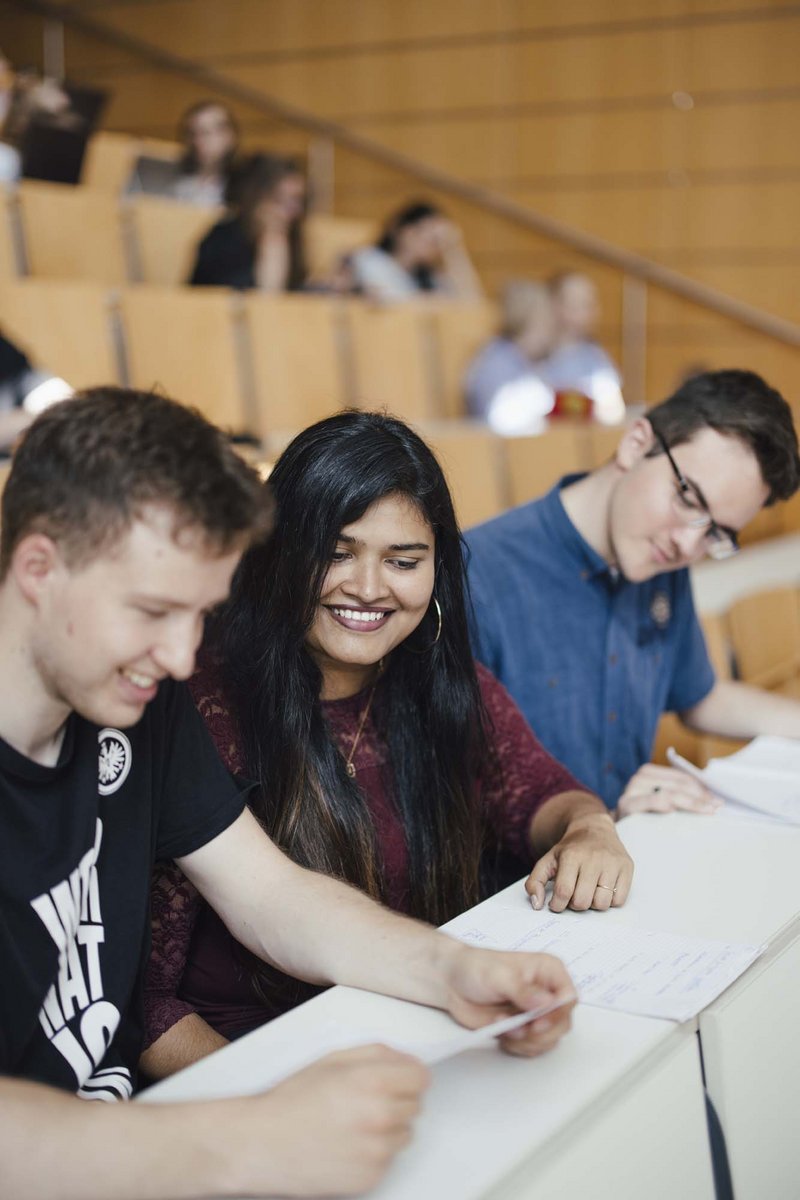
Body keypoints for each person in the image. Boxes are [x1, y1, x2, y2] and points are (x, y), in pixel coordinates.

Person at [0, 387, 578, 1200]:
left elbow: (270, 894)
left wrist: (454, 968)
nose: (180, 657)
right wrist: (251, 1132)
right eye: (155, 611)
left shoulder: (139, 704)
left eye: (200, 615)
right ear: (39, 567)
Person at [141, 410, 632, 1068]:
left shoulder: (440, 681)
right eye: (336, 553)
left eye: (403, 561)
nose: (367, 589)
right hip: (255, 1069)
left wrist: (590, 827)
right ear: (278, 552)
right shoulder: (196, 703)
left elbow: (539, 793)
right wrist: (264, 1101)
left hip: (413, 1039)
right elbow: (141, 1003)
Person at [465, 369, 800, 817]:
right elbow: (452, 798)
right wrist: (599, 824)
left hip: (625, 853)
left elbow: (700, 697)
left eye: (716, 533)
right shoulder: (476, 575)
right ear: (636, 444)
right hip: (523, 876)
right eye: (688, 499)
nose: (688, 544)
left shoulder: (662, 560)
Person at [189, 152, 307, 291]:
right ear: (254, 199)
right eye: (280, 200)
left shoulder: (291, 238)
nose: (294, 211)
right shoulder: (222, 240)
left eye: (298, 201)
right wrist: (271, 247)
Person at [464, 280, 557, 434]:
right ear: (528, 320)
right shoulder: (494, 362)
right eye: (545, 321)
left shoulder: (533, 362)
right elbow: (496, 420)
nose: (550, 331)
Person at [349, 201, 482, 302]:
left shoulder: (426, 276)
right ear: (404, 231)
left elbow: (470, 300)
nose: (433, 244)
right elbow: (385, 300)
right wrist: (434, 300)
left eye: (438, 240)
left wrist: (454, 249)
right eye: (429, 236)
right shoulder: (369, 260)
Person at [540, 271, 625, 425]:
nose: (594, 312)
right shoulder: (530, 354)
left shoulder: (595, 357)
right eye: (582, 304)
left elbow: (613, 412)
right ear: (554, 305)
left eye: (591, 304)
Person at [128, 100, 240, 207]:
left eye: (206, 133)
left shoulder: (243, 186)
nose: (198, 141)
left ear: (229, 136)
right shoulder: (165, 178)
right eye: (192, 134)